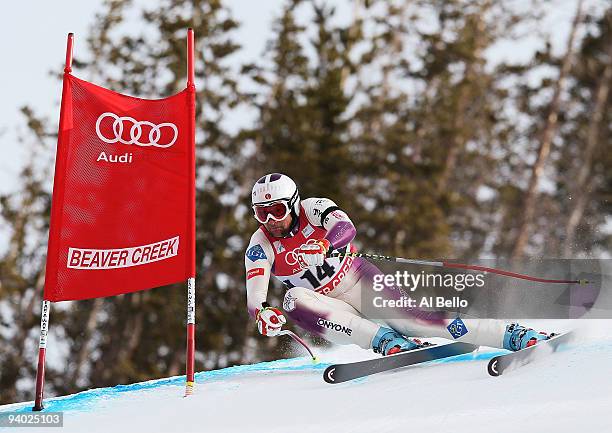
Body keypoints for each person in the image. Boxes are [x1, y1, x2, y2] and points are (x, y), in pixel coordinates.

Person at [244, 173, 550, 355]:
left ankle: (510, 334)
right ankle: (386, 343)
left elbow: (346, 228)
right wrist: (263, 314)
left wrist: (324, 244)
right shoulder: (260, 245)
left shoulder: (314, 208)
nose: (271, 220)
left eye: (277, 210)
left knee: (415, 322)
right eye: (262, 213)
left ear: (294, 203)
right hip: (329, 305)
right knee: (292, 300)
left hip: (357, 280)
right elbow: (255, 294)